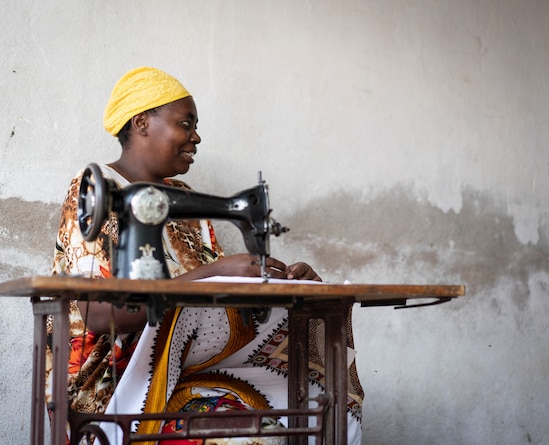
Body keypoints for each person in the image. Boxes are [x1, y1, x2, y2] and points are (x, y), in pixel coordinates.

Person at [46, 66, 363, 444]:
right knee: (251, 439)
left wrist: (279, 283)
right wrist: (216, 271)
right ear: (142, 122)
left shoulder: (184, 200)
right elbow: (100, 315)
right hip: (107, 389)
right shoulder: (96, 191)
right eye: (186, 123)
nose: (196, 137)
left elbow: (212, 305)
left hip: (190, 376)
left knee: (294, 422)